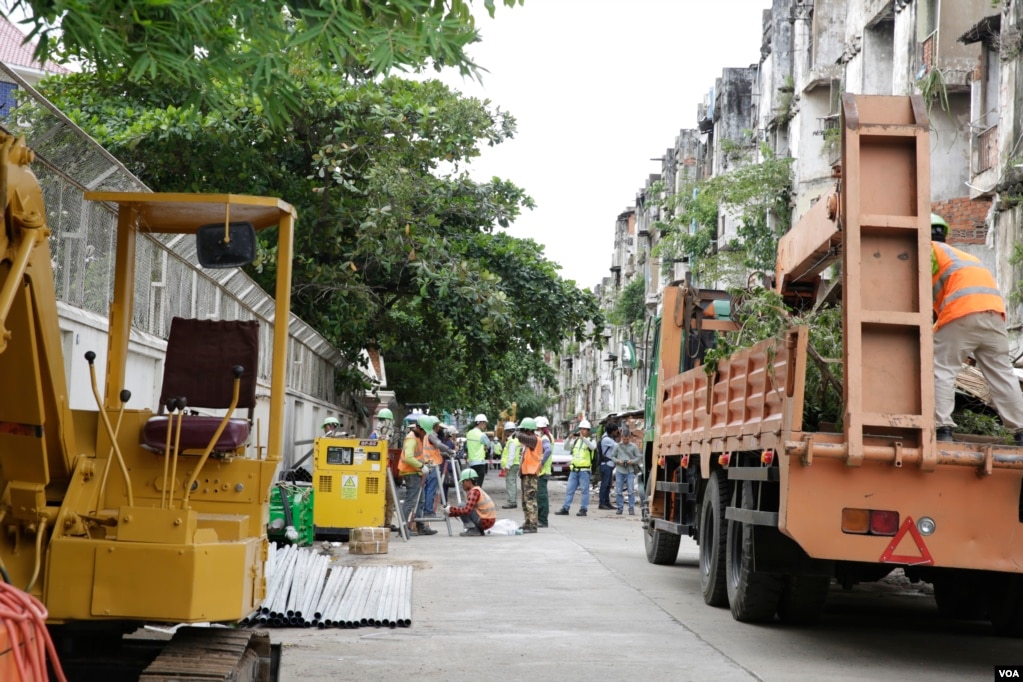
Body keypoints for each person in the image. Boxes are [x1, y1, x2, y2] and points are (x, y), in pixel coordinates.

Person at [931, 213, 1023, 445]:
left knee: (941, 368)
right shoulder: (962, 256)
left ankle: (941, 429)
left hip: (962, 312)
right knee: (1003, 376)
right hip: (994, 317)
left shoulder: (927, 249)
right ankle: (1021, 432)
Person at [397, 416, 438, 536]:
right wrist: (421, 466)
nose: (426, 434)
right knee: (410, 501)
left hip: (416, 472)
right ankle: (403, 529)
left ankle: (420, 526)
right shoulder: (412, 439)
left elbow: (419, 455)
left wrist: (426, 463)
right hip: (411, 473)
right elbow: (408, 457)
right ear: (419, 428)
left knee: (421, 501)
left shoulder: (418, 437)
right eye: (425, 431)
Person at [554, 419, 596, 517]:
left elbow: (593, 447)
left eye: (584, 429)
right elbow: (566, 447)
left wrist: (584, 439)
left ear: (588, 431)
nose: (582, 431)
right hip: (574, 470)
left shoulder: (591, 441)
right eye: (581, 429)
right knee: (569, 490)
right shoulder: (576, 441)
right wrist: (569, 439)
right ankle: (565, 508)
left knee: (584, 491)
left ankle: (583, 509)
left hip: (584, 470)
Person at [516, 417, 549, 533]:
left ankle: (533, 525)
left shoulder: (535, 440)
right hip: (526, 473)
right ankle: (527, 523)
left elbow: (520, 436)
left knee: (530, 500)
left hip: (531, 473)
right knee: (525, 501)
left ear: (527, 430)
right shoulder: (530, 441)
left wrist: (516, 431)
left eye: (523, 430)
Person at [442, 469, 497, 536]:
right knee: (464, 507)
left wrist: (451, 510)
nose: (462, 484)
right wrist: (451, 513)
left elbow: (466, 510)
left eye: (463, 481)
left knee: (461, 505)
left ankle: (473, 529)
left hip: (484, 520)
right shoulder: (478, 490)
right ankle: (478, 530)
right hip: (488, 520)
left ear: (469, 481)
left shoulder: (474, 492)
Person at [422, 417, 457, 521]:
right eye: (438, 426)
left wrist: (445, 453)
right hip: (432, 466)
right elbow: (439, 444)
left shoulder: (426, 436)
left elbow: (435, 451)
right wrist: (449, 451)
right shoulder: (431, 435)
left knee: (427, 489)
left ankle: (426, 509)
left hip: (428, 465)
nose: (439, 428)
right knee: (430, 490)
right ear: (435, 426)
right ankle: (428, 511)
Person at [612, 424, 641, 515]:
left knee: (631, 490)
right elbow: (612, 456)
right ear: (622, 437)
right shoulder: (617, 446)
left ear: (630, 438)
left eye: (627, 439)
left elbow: (639, 457)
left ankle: (631, 508)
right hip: (620, 470)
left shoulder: (634, 447)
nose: (625, 441)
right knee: (619, 490)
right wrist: (618, 461)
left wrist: (631, 461)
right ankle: (620, 508)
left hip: (630, 471)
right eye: (624, 439)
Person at [535, 416, 553, 527]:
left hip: (543, 471)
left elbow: (548, 450)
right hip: (545, 470)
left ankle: (542, 520)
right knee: (542, 496)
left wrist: (541, 463)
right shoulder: (548, 436)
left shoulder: (545, 438)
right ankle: (541, 519)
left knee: (541, 497)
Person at [464, 413, 493, 484]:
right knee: (478, 486)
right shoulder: (482, 435)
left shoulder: (469, 433)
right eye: (485, 423)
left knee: (473, 484)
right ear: (481, 423)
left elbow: (467, 446)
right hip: (479, 463)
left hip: (471, 463)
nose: (485, 425)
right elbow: (489, 444)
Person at [597, 421, 619, 509]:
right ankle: (602, 503)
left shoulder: (608, 437)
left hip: (609, 465)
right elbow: (618, 447)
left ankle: (607, 502)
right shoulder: (606, 439)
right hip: (606, 465)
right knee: (604, 485)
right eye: (616, 431)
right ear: (612, 431)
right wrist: (620, 437)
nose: (617, 432)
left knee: (608, 485)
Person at [499, 421, 520, 509]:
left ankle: (512, 501)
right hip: (514, 464)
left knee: (510, 483)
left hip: (511, 465)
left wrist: (507, 466)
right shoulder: (515, 440)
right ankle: (512, 500)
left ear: (508, 431)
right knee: (512, 483)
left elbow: (511, 455)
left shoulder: (511, 441)